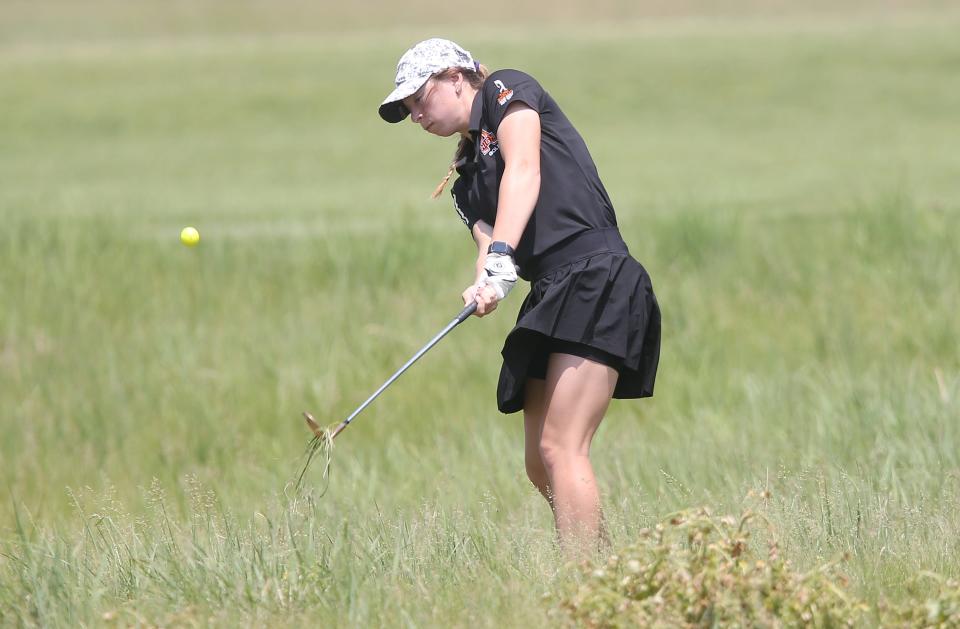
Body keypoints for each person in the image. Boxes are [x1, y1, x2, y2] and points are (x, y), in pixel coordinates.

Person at [378, 38, 660, 552]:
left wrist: (504, 254)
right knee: (539, 462)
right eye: (408, 110)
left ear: (455, 76)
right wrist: (484, 282)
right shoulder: (465, 185)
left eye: (419, 98)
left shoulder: (508, 90)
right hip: (550, 289)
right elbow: (488, 246)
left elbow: (525, 171)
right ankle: (607, 567)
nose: (416, 115)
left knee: (561, 446)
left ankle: (587, 583)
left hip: (596, 271)